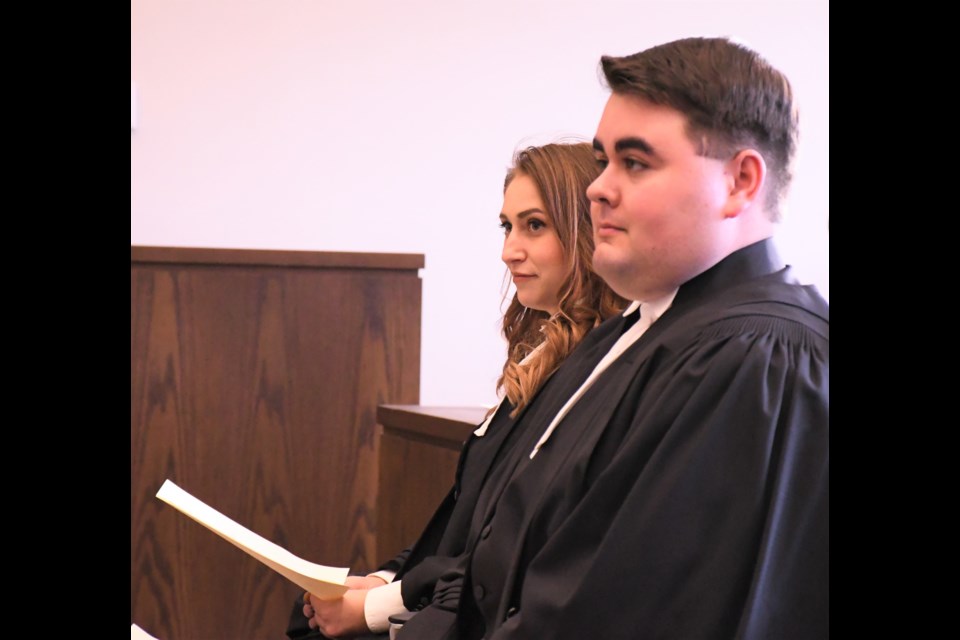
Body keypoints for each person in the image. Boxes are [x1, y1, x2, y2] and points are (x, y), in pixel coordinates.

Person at [400, 36, 829, 640]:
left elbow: (618, 612)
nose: (598, 187)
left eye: (635, 162)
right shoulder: (636, 330)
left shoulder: (755, 354)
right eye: (602, 160)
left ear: (740, 182)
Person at [285, 141, 628, 639]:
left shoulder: (598, 375)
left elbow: (508, 555)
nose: (510, 250)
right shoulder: (538, 360)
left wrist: (376, 608)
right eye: (507, 226)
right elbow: (462, 524)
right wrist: (380, 582)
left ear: (587, 229)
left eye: (535, 225)